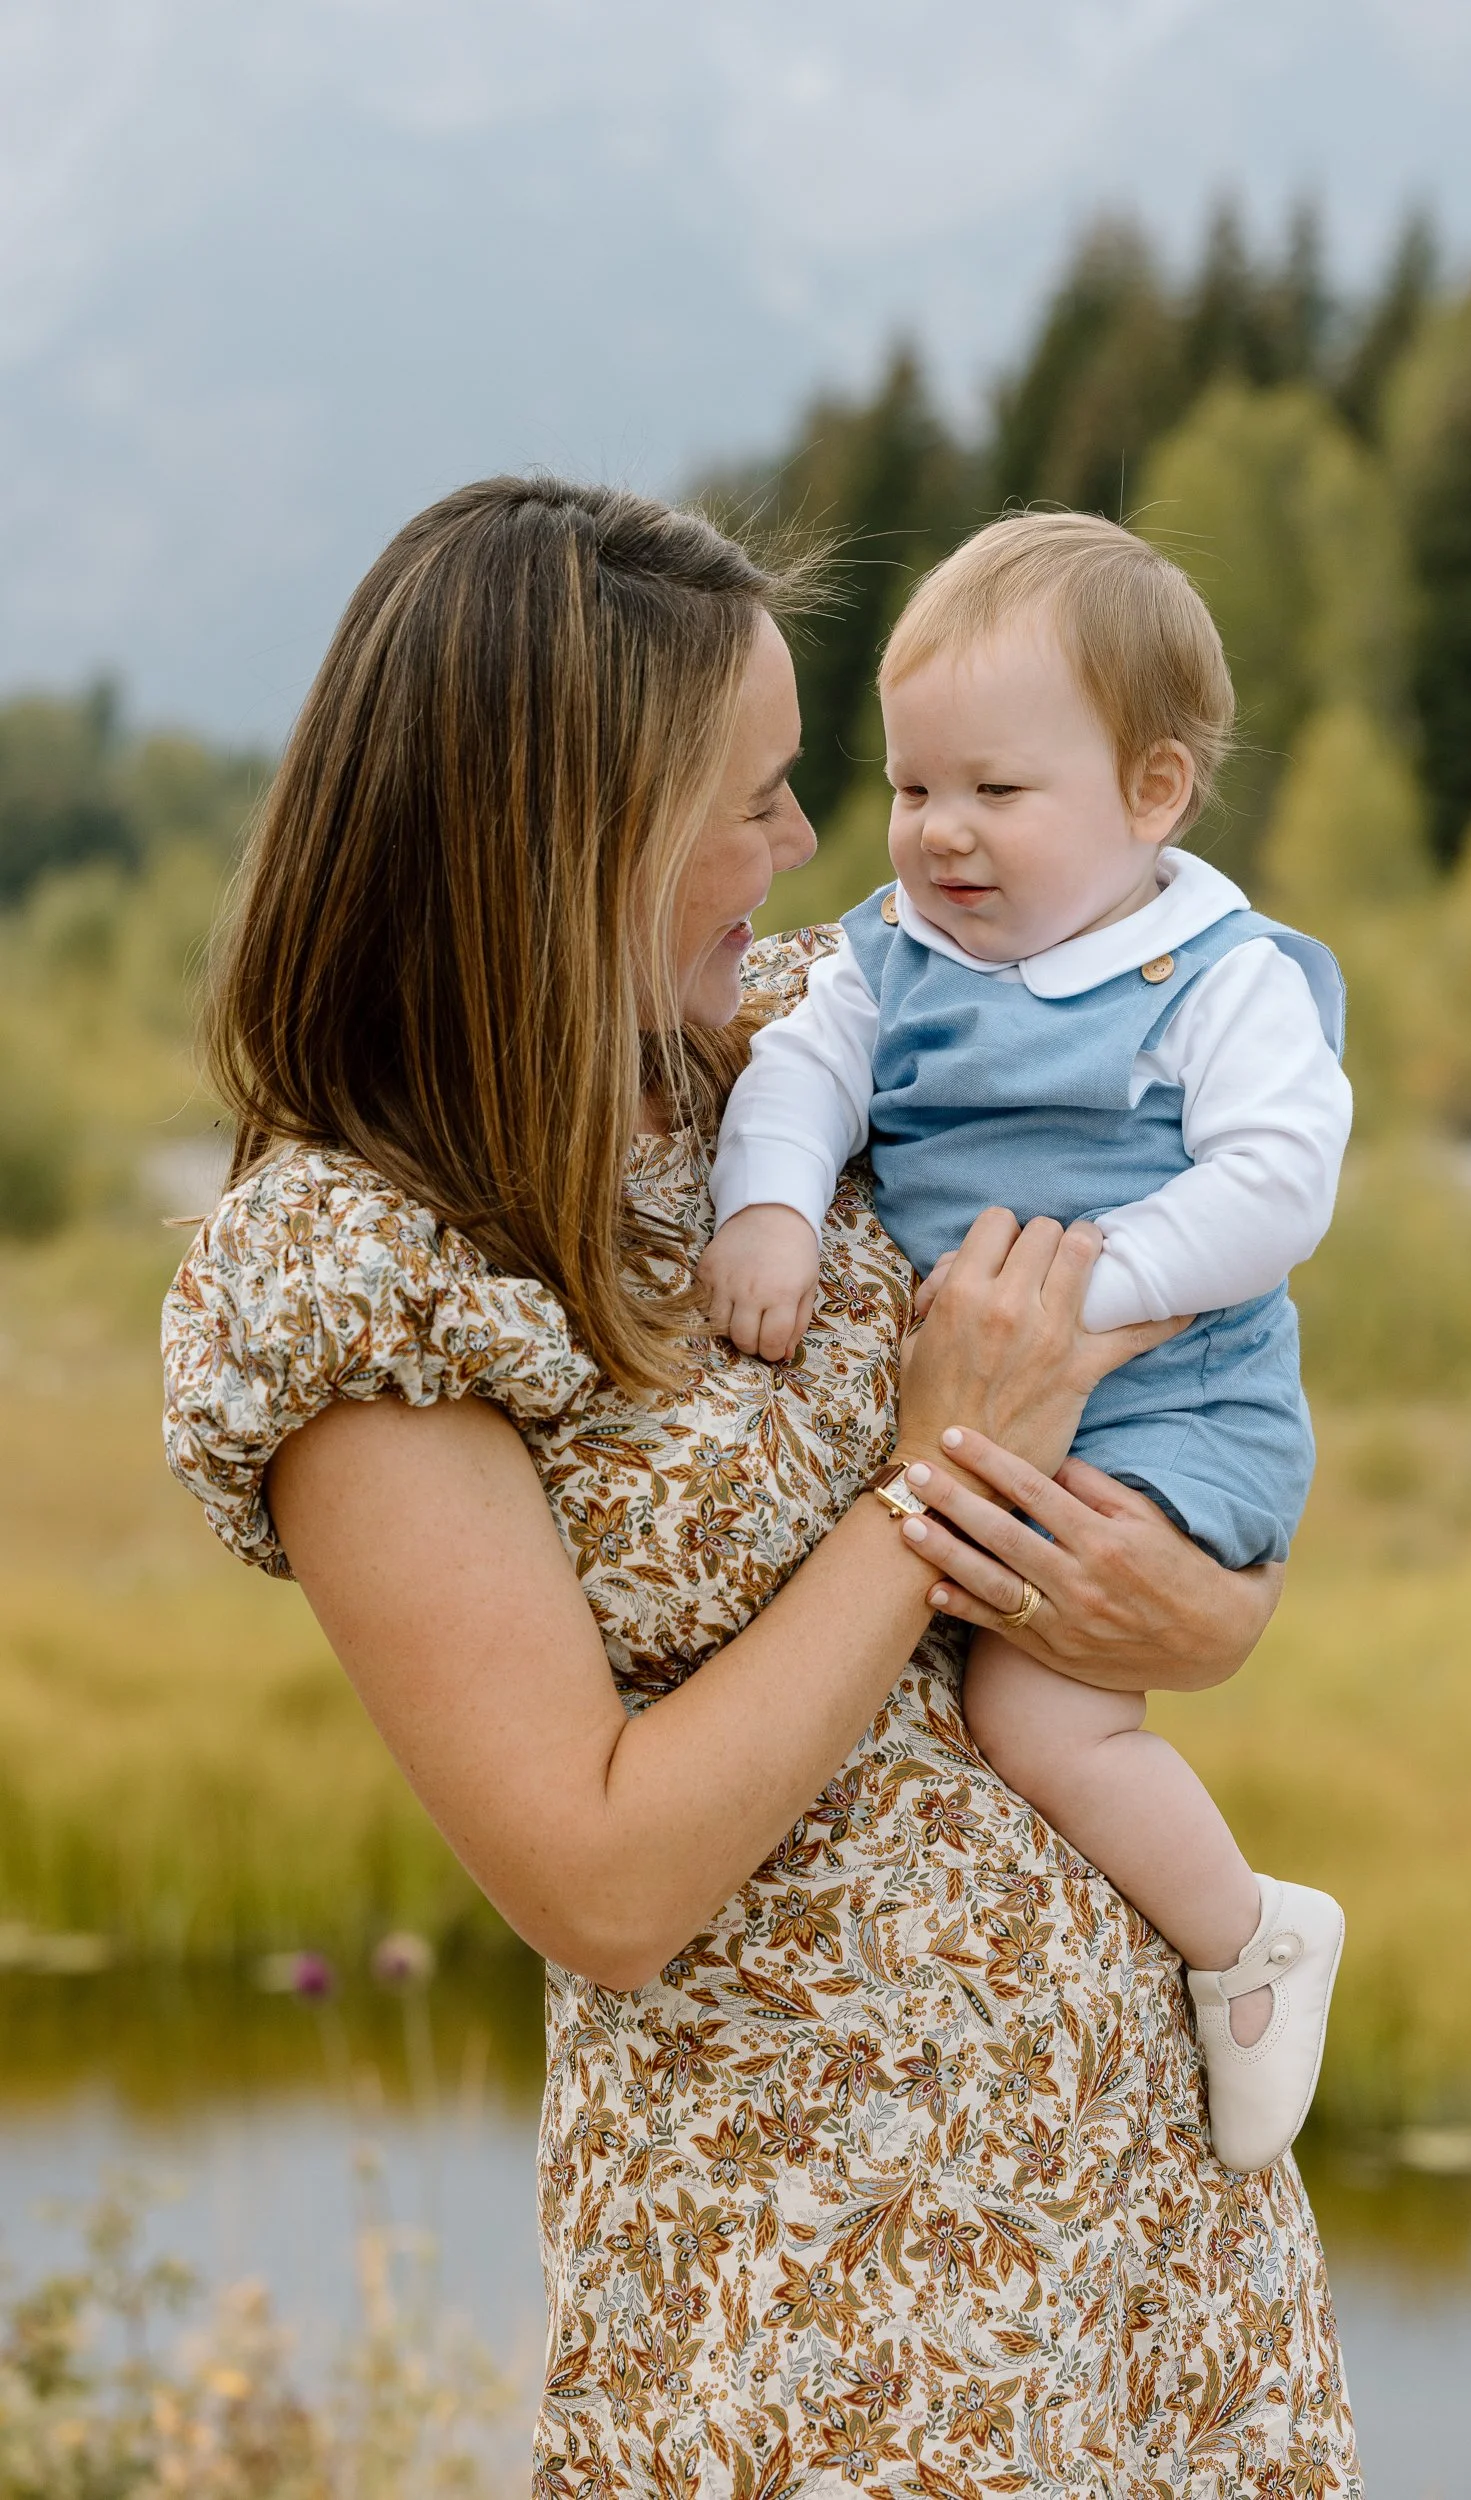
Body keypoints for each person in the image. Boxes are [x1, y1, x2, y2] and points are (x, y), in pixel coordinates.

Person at [161, 477, 1360, 2496]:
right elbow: (604, 1879)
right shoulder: (361, 1275)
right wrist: (930, 1484)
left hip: (1132, 2228)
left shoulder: (797, 1036)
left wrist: (1196, 1600)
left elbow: (1152, 1395)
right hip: (820, 2292)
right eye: (756, 799)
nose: (813, 850)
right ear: (570, 837)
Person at [700, 513, 1351, 2172]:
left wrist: (1084, 1301)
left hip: (1169, 1406)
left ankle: (1247, 1938)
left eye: (997, 792)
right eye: (916, 788)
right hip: (1005, 1405)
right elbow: (791, 1074)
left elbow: (1277, 1184)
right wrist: (768, 1211)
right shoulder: (885, 952)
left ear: (1152, 794)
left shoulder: (1216, 974)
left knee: (1038, 1712)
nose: (938, 836)